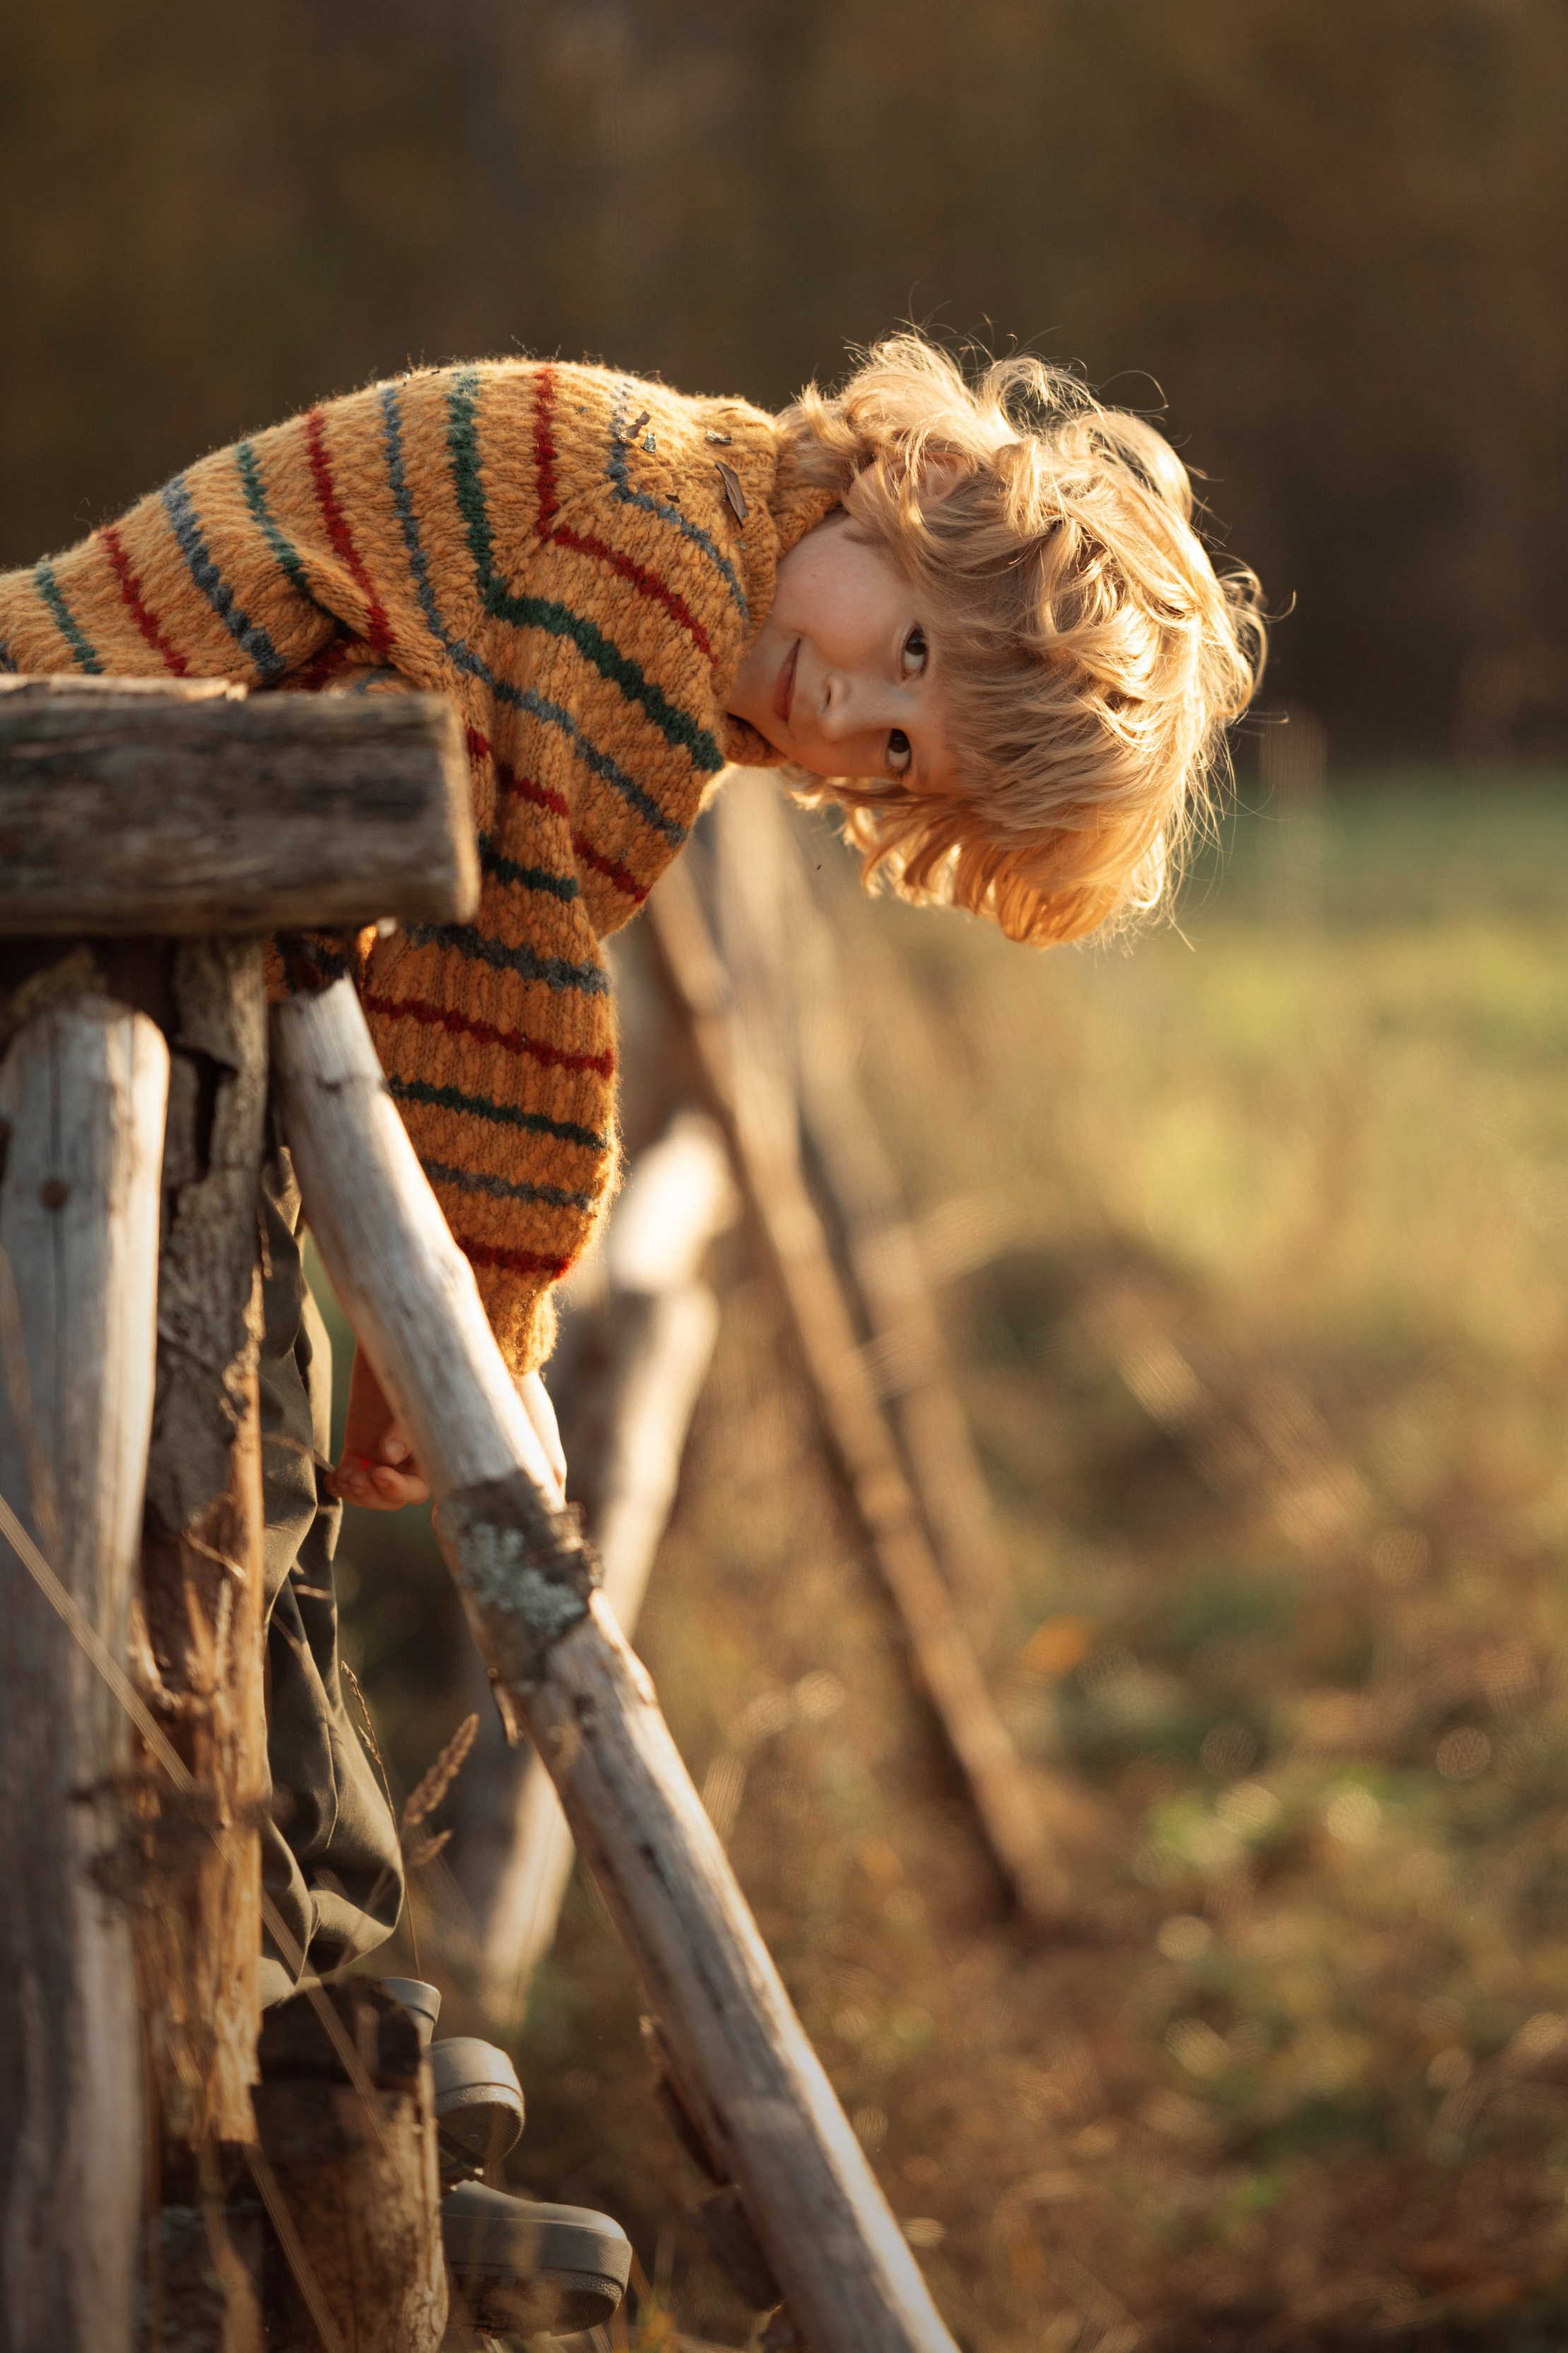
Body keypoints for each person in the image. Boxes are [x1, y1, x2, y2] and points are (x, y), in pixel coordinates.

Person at [0, 331, 1262, 2000]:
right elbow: (507, 980)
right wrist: (467, 1340)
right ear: (913, 493)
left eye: (902, 754)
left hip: (143, 892)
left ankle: (301, 1985)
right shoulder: (657, 567)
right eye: (905, 649)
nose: (847, 714)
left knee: (234, 1480)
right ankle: (284, 1998)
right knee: (200, 1488)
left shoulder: (707, 512)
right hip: (66, 869)